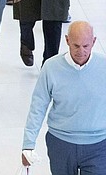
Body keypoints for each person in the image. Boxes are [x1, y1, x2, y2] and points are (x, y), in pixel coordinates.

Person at [21, 21, 106, 174]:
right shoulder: (51, 67)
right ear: (67, 40)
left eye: (86, 46)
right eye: (76, 46)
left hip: (98, 143)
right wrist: (28, 144)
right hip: (60, 142)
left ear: (94, 42)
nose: (81, 51)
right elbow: (38, 107)